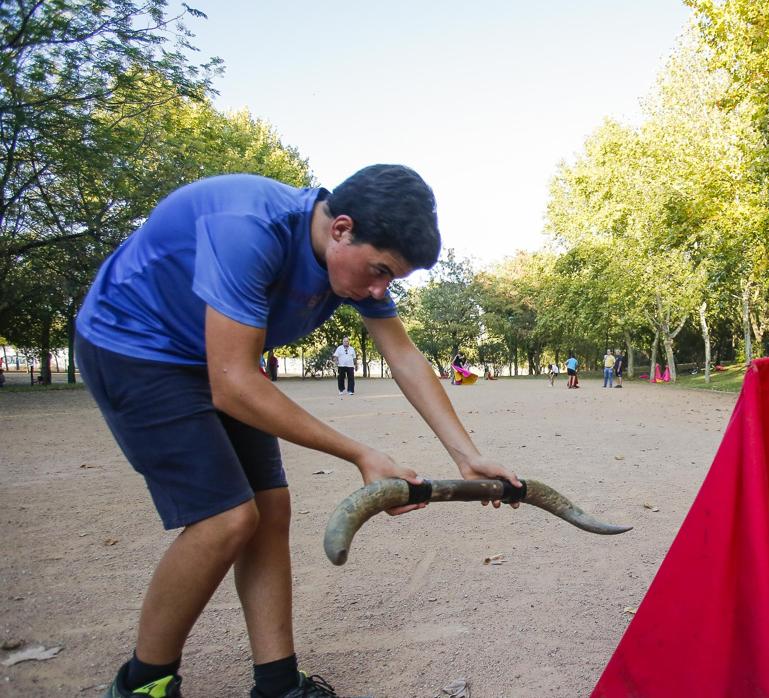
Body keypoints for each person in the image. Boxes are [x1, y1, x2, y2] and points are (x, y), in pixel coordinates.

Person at [74, 164, 520, 698]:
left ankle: (278, 684)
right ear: (341, 228)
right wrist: (360, 453)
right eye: (378, 270)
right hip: (137, 349)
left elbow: (401, 353)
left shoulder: (353, 261)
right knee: (225, 520)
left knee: (271, 508)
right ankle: (142, 684)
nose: (379, 290)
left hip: (218, 358)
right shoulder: (248, 228)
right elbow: (233, 384)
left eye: (391, 280)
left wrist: (467, 457)